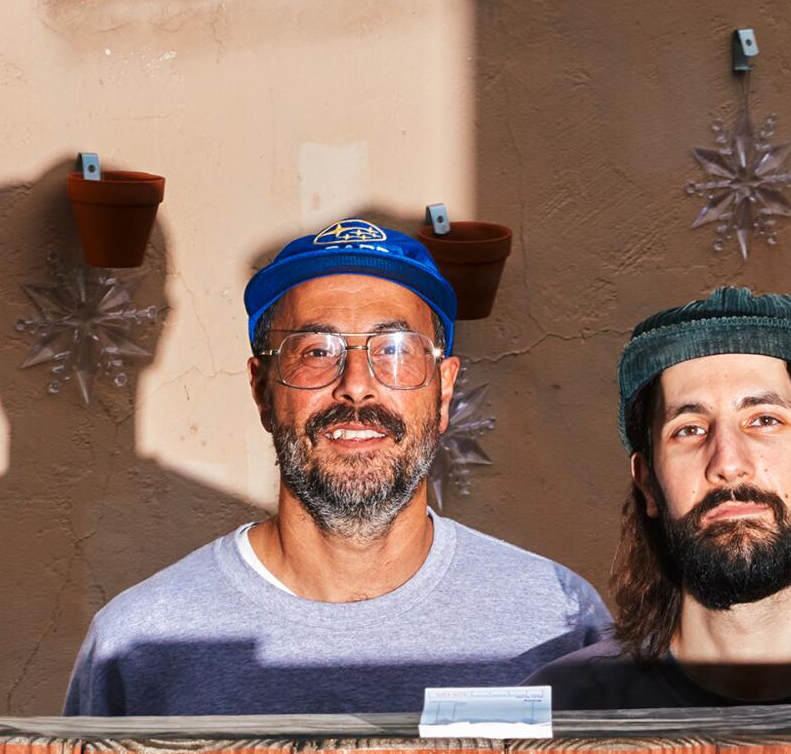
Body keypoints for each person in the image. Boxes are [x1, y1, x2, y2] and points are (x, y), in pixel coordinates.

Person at [64, 219, 611, 716]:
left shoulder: (556, 618)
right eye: (316, 350)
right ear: (262, 389)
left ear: (443, 390)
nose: (355, 384)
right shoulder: (138, 645)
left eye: (395, 349)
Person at [528, 286, 791, 707]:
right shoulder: (556, 719)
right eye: (689, 429)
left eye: (764, 420)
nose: (728, 463)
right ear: (648, 485)